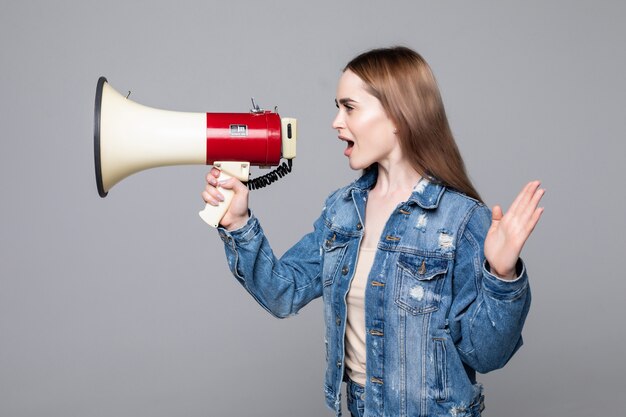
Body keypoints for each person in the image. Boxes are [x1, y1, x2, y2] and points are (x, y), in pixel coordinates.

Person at [202, 46, 544, 417]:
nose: (335, 121)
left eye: (349, 107)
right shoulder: (343, 211)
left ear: (397, 115)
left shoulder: (460, 219)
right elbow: (283, 292)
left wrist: (503, 276)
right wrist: (238, 223)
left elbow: (487, 354)